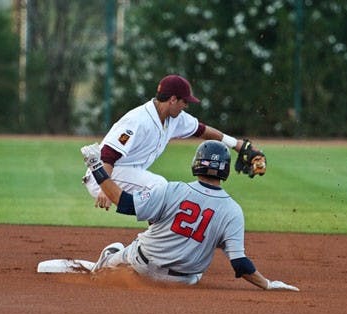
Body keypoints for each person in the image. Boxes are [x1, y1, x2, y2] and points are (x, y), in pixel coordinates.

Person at [80, 140, 298, 291]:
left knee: (121, 249)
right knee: (198, 264)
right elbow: (241, 264)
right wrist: (267, 284)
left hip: (142, 265)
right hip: (182, 282)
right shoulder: (233, 211)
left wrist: (96, 166)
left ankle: (107, 262)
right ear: (225, 170)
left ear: (196, 163)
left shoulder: (171, 189)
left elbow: (125, 203)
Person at [82, 74, 264, 211]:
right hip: (104, 174)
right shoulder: (138, 120)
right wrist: (105, 188)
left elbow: (202, 130)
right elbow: (108, 154)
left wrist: (238, 145)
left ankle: (156, 239)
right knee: (159, 187)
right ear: (172, 100)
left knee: (162, 194)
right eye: (184, 101)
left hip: (127, 172)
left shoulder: (174, 118)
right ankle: (156, 242)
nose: (186, 105)